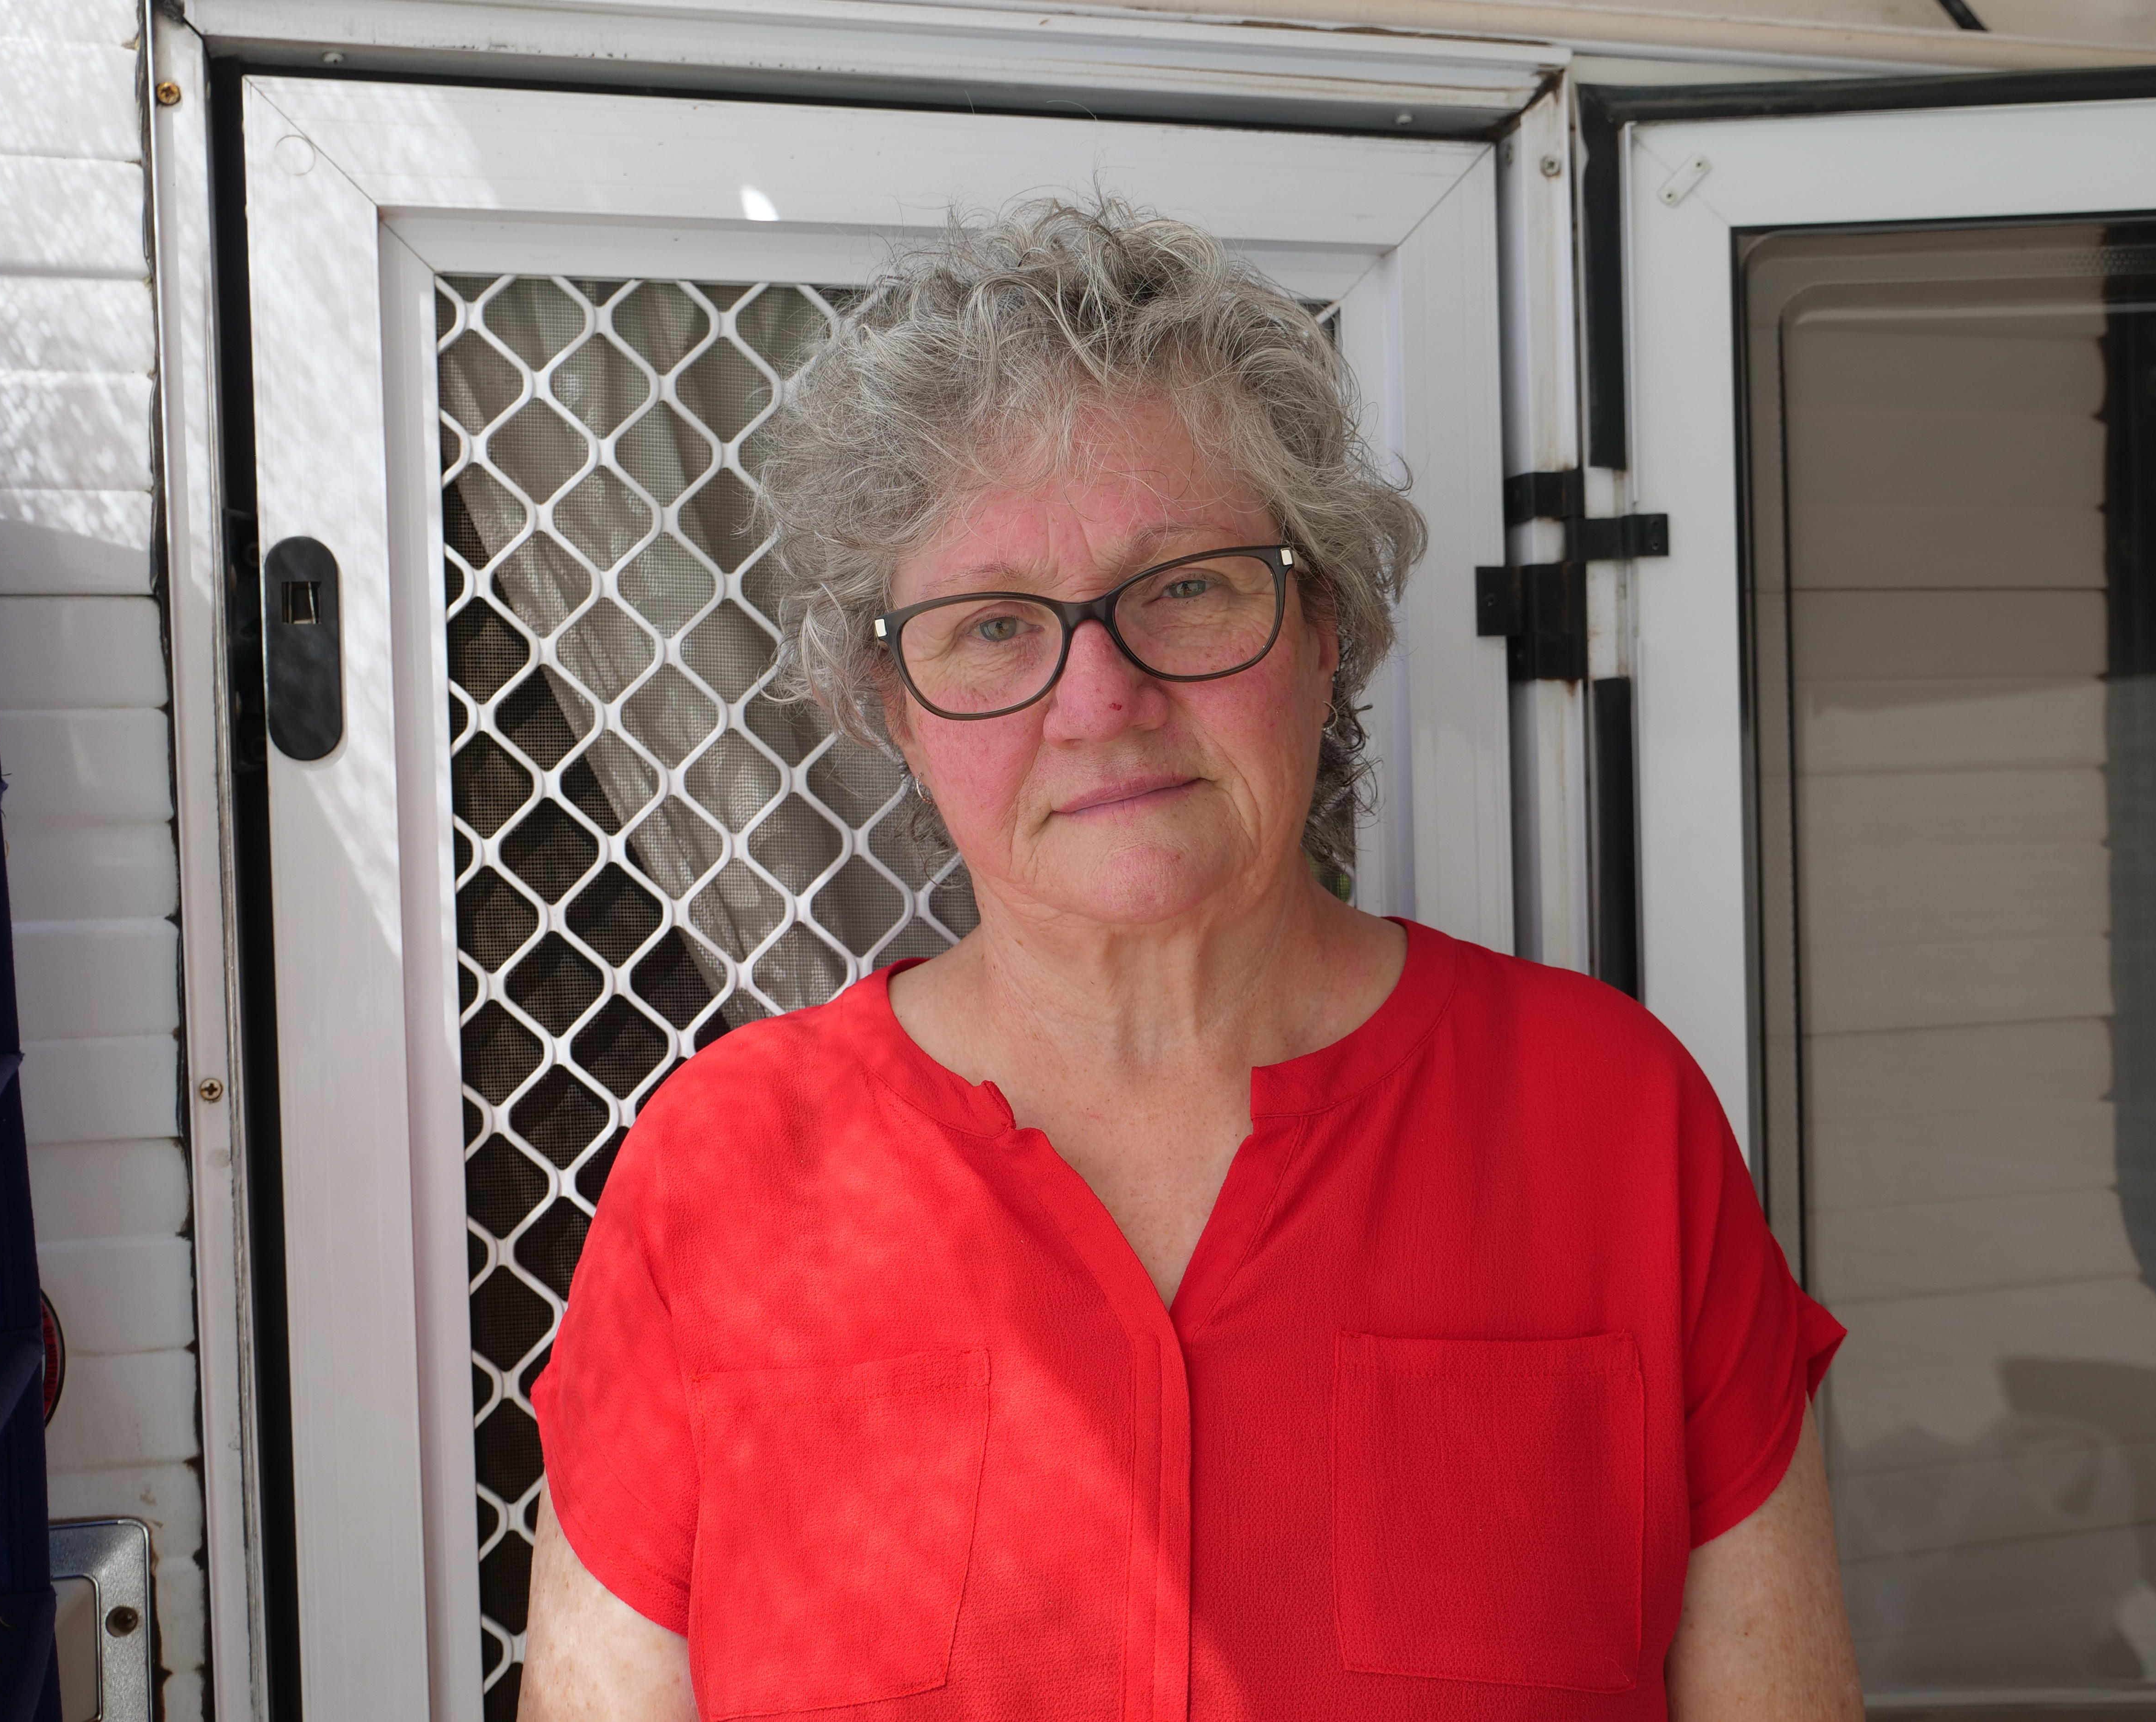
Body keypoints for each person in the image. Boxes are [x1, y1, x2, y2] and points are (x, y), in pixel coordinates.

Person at [521, 199, 1860, 1721]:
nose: (1101, 699)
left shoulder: (1611, 1120)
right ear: (893, 709)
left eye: (1188, 589)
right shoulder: (731, 1168)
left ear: (1328, 627)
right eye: (991, 628)